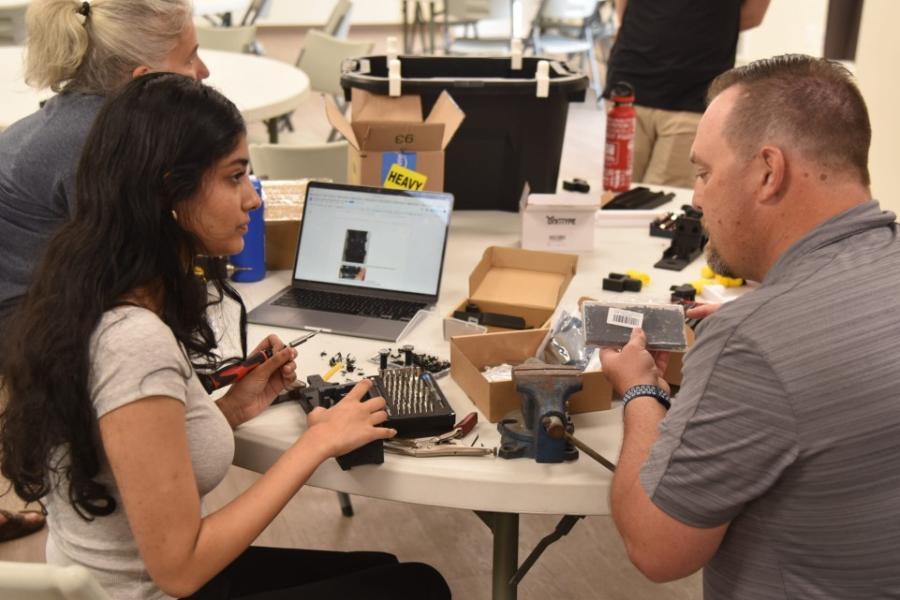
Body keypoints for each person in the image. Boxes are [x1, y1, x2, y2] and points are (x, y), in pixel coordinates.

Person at [0, 73, 451, 600]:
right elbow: (181, 569)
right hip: (149, 591)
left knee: (383, 566)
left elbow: (134, 450)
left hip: (110, 577)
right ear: (170, 191)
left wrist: (232, 407)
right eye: (234, 177)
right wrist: (316, 444)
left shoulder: (86, 284)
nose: (253, 200)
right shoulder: (132, 341)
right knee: (418, 586)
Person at [599, 54, 900, 598]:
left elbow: (655, 548)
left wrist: (639, 387)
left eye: (704, 172)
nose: (695, 197)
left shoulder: (753, 341)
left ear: (768, 171)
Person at [0, 0, 209, 330]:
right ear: (147, 80)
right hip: (28, 348)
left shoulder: (75, 118)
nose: (203, 71)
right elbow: (138, 284)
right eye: (189, 58)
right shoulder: (97, 148)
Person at [604, 0, 770, 188]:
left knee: (663, 203)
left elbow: (753, 15)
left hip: (693, 94)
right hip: (629, 83)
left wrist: (692, 31)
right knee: (615, 196)